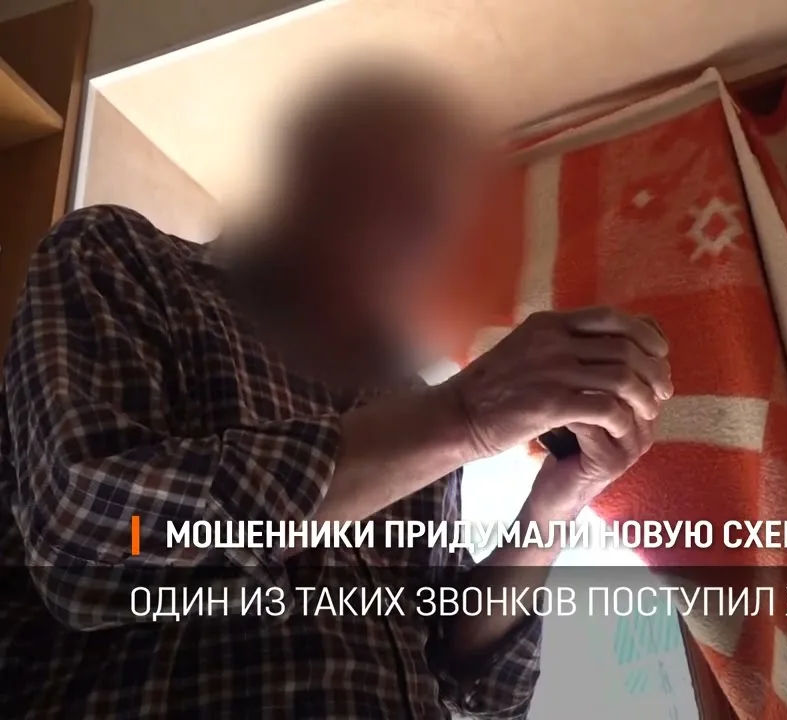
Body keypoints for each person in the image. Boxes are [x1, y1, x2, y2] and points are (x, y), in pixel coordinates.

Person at [0, 64, 672, 719]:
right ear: (310, 180)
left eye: (437, 219)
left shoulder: (406, 395)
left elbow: (472, 685)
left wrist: (556, 504)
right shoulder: (120, 257)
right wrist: (464, 417)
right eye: (401, 197)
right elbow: (88, 541)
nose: (425, 245)